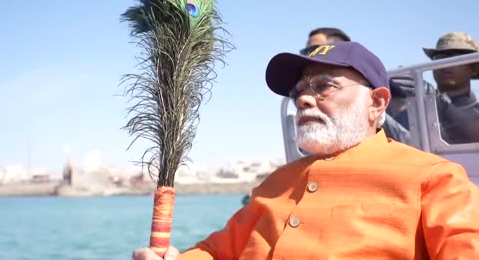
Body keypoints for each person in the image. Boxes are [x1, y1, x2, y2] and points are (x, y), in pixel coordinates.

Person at [132, 42, 479, 259]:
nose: (303, 98)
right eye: (298, 90)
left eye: (324, 86)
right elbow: (215, 252)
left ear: (377, 103)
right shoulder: (276, 183)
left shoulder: (436, 180)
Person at [390, 31, 479, 144]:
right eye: (440, 57)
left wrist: (432, 95)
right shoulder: (413, 110)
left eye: (457, 57)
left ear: (475, 67)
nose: (446, 63)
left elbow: (467, 132)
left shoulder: (476, 113)